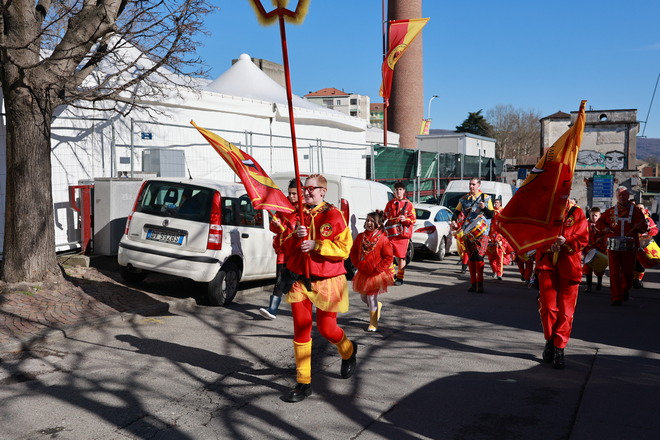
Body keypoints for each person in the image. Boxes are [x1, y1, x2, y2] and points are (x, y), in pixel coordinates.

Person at [280, 174, 356, 402]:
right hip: (299, 279)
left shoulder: (334, 215)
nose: (306, 192)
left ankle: (348, 350)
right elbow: (284, 246)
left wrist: (317, 244)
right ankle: (303, 383)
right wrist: (295, 236)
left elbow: (344, 249)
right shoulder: (296, 215)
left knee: (326, 328)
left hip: (327, 280)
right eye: (304, 188)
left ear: (323, 191)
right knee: (301, 329)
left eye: (311, 188)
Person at [536, 199, 588, 369]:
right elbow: (535, 237)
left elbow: (583, 238)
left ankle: (559, 348)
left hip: (570, 266)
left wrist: (566, 242)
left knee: (566, 312)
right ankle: (550, 340)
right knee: (548, 307)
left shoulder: (577, 212)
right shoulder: (545, 211)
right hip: (547, 265)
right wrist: (549, 247)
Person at [595, 187, 649, 305]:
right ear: (616, 196)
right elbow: (599, 223)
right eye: (619, 195)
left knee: (628, 272)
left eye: (624, 195)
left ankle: (625, 290)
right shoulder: (609, 211)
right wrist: (605, 228)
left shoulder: (636, 211)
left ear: (628, 196)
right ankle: (616, 297)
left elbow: (644, 228)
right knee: (614, 272)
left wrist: (639, 226)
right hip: (613, 247)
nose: (622, 197)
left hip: (630, 247)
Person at [259, 179, 299, 319]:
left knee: (298, 281)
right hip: (283, 249)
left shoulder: (305, 209)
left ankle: (301, 308)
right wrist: (276, 224)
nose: (291, 196)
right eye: (290, 193)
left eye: (294, 194)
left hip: (298, 251)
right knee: (280, 278)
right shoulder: (283, 205)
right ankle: (273, 309)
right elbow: (273, 227)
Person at [350, 210, 395, 332]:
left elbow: (388, 257)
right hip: (363, 272)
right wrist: (357, 263)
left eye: (372, 221)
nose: (369, 223)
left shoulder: (383, 239)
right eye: (367, 220)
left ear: (379, 224)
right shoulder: (360, 237)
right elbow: (353, 251)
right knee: (363, 298)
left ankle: (373, 322)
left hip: (376, 274)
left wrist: (379, 269)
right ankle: (376, 306)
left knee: (371, 297)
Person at [451, 178, 494, 293]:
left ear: (479, 185)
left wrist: (484, 208)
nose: (471, 186)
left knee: (479, 257)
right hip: (468, 231)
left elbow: (492, 215)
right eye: (470, 184)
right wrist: (454, 221)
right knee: (471, 257)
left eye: (473, 184)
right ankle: (473, 283)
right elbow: (456, 212)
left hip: (482, 232)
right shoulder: (464, 199)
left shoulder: (486, 198)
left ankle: (480, 283)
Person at [383, 181, 416, 285]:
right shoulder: (390, 204)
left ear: (404, 191)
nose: (398, 192)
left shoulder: (409, 204)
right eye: (397, 190)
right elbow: (384, 216)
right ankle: (393, 275)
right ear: (394, 191)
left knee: (401, 257)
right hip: (391, 234)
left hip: (402, 236)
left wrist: (405, 219)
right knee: (388, 255)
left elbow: (413, 219)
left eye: (400, 189)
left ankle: (400, 278)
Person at [632, 203, 658, 289]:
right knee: (631, 264)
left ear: (644, 209)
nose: (640, 210)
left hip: (643, 246)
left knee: (641, 264)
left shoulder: (648, 219)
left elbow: (655, 230)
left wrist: (649, 230)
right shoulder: (631, 218)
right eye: (638, 208)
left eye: (641, 208)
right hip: (631, 245)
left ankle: (638, 280)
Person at [582, 207, 607, 293]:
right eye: (592, 215)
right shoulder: (586, 224)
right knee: (587, 267)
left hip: (599, 248)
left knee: (599, 267)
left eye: (596, 215)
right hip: (588, 248)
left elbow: (605, 235)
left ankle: (599, 283)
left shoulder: (602, 225)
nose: (594, 217)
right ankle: (588, 286)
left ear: (599, 216)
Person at [486, 199, 512, 280]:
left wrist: (500, 239)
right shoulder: (492, 212)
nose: (495, 204)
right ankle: (494, 271)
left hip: (500, 239)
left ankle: (499, 274)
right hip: (491, 238)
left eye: (497, 202)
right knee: (491, 258)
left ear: (500, 203)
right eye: (495, 202)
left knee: (499, 257)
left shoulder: (503, 212)